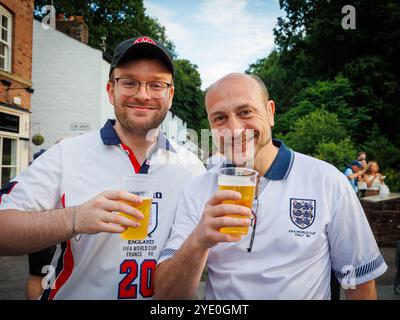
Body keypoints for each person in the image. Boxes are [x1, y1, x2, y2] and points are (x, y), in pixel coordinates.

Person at [0, 36, 205, 300]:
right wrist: (74, 219)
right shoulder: (67, 154)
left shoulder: (192, 168)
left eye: (156, 85)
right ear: (111, 91)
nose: (143, 95)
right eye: (129, 82)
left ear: (170, 94)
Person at [153, 73, 387, 300]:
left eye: (246, 112)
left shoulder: (326, 180)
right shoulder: (197, 189)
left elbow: (360, 283)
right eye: (220, 118)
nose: (234, 129)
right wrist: (198, 241)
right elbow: (166, 296)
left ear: (270, 112)